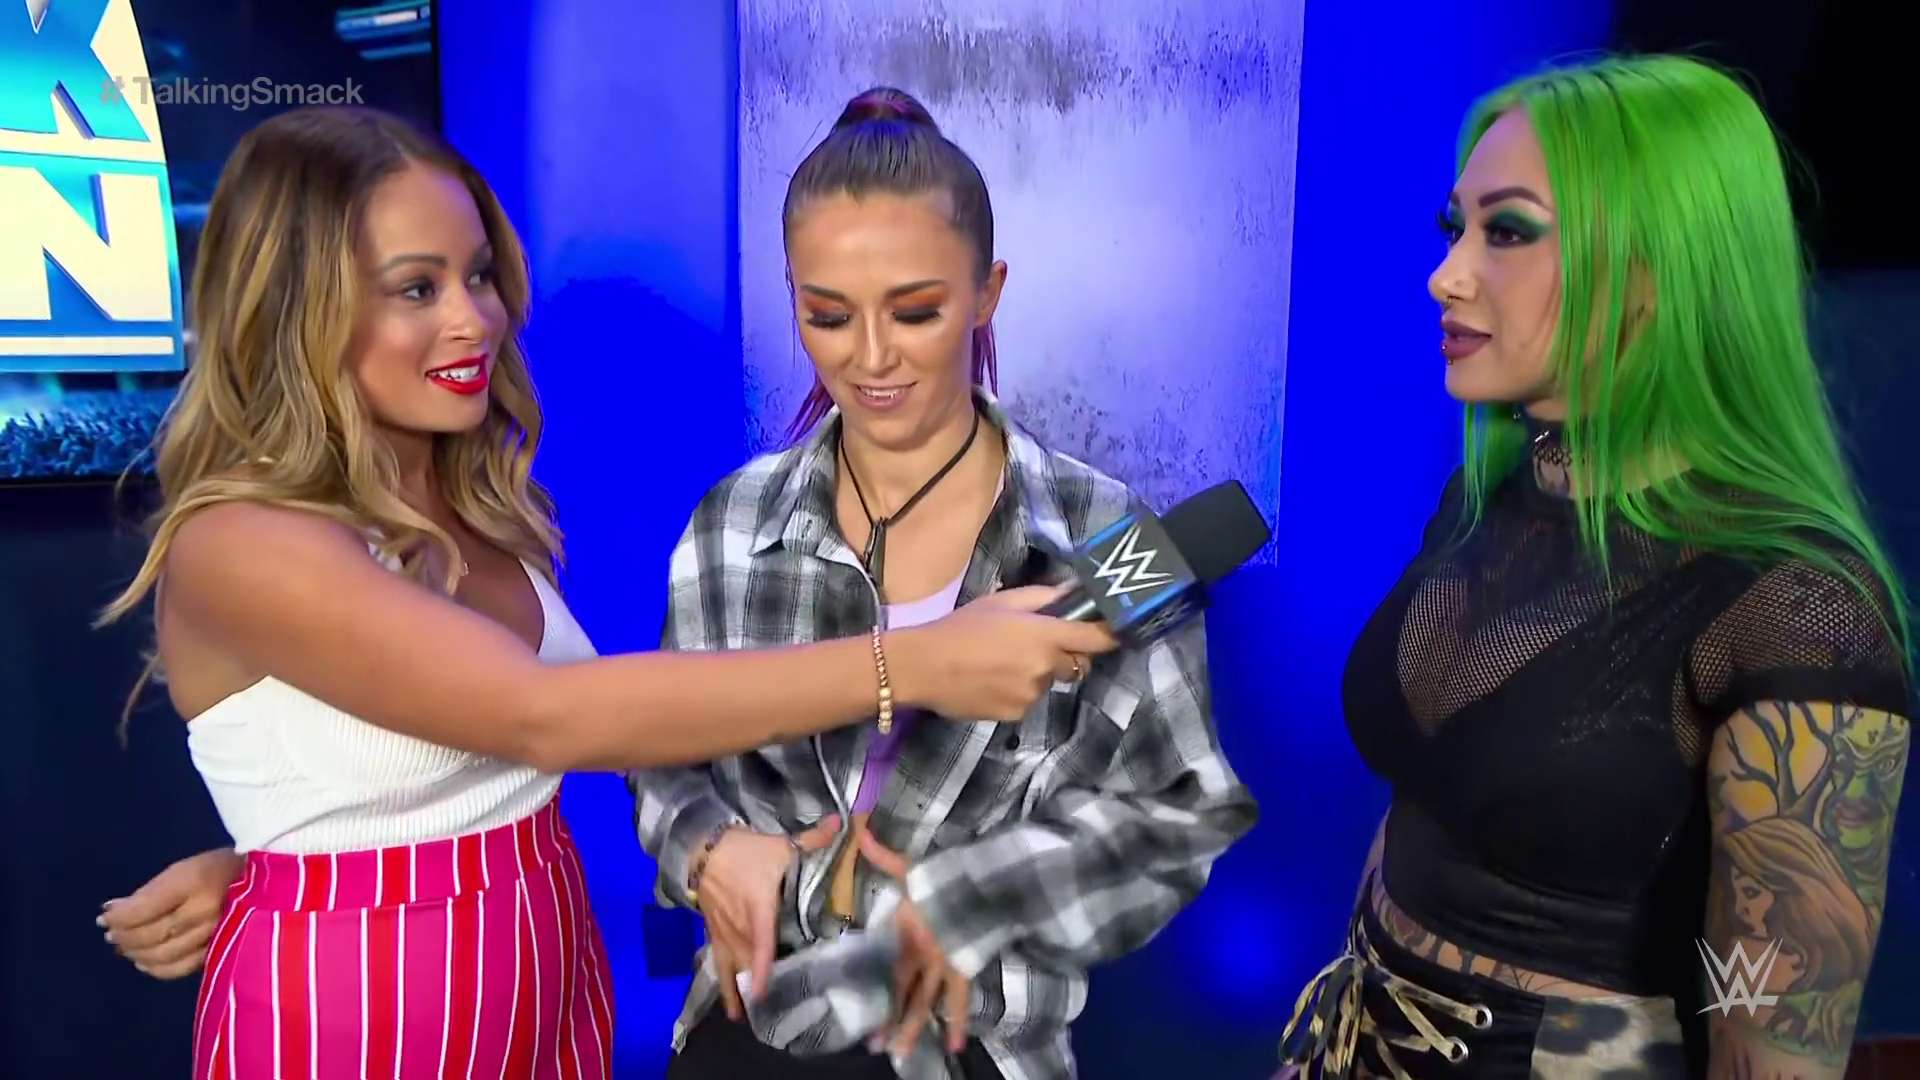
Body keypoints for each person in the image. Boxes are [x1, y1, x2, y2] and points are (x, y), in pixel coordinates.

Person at [92, 105, 1116, 1080]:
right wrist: (913, 668)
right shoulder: (244, 542)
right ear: (297, 309)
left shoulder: (476, 506)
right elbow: (552, 717)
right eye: (417, 289)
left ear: (987, 294)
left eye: (479, 274)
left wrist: (279, 868)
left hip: (551, 975)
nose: (475, 319)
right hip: (365, 1012)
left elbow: (464, 774)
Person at [1276, 55, 1911, 1080]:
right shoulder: (1490, 496)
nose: (1446, 275)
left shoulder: (1794, 610)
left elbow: (1772, 1030)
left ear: (1658, 273)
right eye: (1456, 228)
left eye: (1508, 233)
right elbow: (1427, 807)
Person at [632, 87, 1259, 1080]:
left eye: (916, 311)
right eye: (827, 315)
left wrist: (972, 899)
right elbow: (660, 748)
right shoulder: (732, 524)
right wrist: (707, 850)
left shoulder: (1099, 535)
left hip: (974, 1046)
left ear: (987, 291)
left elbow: (1177, 813)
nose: (871, 358)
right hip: (754, 1029)